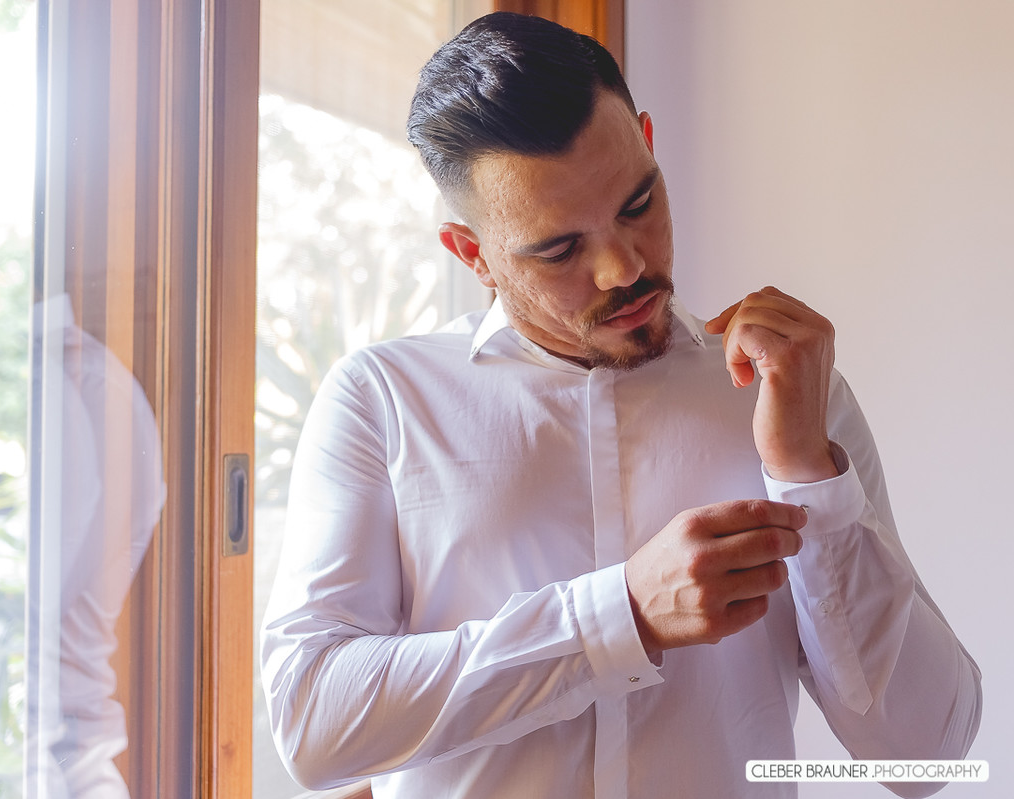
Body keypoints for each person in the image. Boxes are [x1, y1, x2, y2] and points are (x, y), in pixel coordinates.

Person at [260, 12, 981, 799]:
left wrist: (809, 472)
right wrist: (621, 617)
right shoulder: (383, 401)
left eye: (638, 203)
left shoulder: (789, 394)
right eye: (560, 248)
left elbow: (925, 753)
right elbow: (312, 719)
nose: (623, 267)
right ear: (474, 255)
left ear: (647, 141)